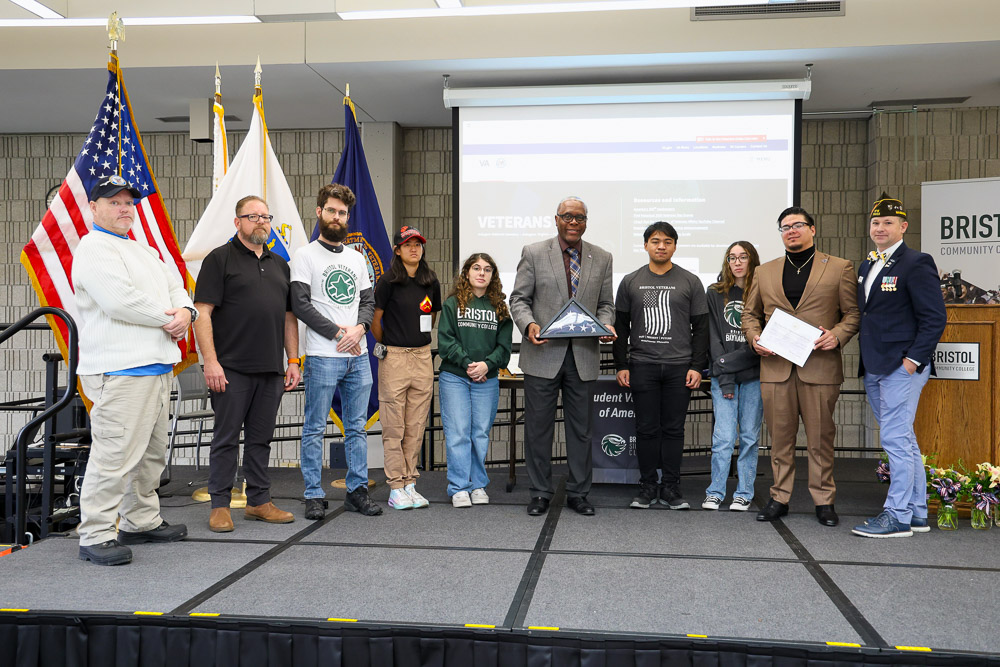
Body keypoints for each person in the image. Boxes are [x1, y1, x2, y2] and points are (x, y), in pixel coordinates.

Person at [72, 174, 191, 565]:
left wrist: (186, 312)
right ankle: (95, 534)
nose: (124, 209)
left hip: (156, 368)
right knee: (115, 456)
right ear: (94, 207)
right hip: (120, 370)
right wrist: (168, 319)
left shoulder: (145, 251)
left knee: (151, 456)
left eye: (128, 202)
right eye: (114, 202)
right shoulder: (92, 247)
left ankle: (139, 521)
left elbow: (177, 287)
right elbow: (118, 300)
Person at [742, 206, 859, 527]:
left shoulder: (839, 267)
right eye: (784, 227)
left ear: (812, 229)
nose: (791, 231)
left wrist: (837, 335)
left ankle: (824, 500)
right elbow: (750, 315)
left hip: (819, 367)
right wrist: (754, 338)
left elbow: (852, 314)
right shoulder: (764, 271)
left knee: (821, 438)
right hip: (775, 368)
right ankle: (780, 498)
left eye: (797, 225)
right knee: (780, 440)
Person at [194, 195, 301, 533]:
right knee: (226, 438)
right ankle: (220, 506)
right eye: (252, 216)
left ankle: (258, 501)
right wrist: (210, 362)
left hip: (270, 369)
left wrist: (293, 359)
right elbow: (202, 314)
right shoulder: (219, 259)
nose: (260, 222)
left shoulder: (280, 265)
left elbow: (288, 318)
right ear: (237, 222)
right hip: (230, 368)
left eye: (265, 216)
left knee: (261, 438)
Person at [509, 197, 615, 517]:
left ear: (586, 222)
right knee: (538, 429)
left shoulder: (603, 257)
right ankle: (540, 492)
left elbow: (606, 304)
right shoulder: (534, 252)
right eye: (567, 216)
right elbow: (519, 299)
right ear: (556, 219)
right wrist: (528, 325)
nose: (573, 222)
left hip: (582, 355)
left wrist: (606, 322)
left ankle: (578, 493)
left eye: (579, 218)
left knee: (581, 431)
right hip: (542, 353)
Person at [852, 193, 946, 538]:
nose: (880, 227)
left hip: (900, 367)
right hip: (875, 365)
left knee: (895, 439)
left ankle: (897, 516)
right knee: (904, 440)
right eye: (876, 222)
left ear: (903, 227)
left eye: (888, 222)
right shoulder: (868, 264)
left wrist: (912, 361)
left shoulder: (916, 262)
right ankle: (918, 512)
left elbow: (934, 319)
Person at [291, 183, 382, 520]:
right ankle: (313, 494)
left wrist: (359, 329)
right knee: (314, 426)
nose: (336, 216)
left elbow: (368, 301)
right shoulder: (305, 255)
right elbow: (299, 304)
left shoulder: (356, 258)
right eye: (331, 210)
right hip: (322, 355)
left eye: (342, 212)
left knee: (356, 428)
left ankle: (357, 491)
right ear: (319, 212)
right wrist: (336, 332)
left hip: (357, 356)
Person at [613, 222, 709, 510]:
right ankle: (646, 486)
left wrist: (697, 365)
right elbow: (620, 326)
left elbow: (702, 328)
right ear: (645, 245)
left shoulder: (690, 281)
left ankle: (670, 487)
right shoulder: (630, 281)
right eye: (655, 241)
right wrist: (621, 364)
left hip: (680, 367)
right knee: (645, 429)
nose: (661, 246)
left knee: (674, 429)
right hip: (642, 364)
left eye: (667, 241)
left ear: (675, 246)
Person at [371, 226, 441, 510]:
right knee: (394, 426)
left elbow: (431, 317)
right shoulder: (388, 281)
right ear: (397, 250)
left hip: (422, 357)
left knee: (416, 425)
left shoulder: (430, 280)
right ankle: (396, 486)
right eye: (408, 245)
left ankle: (411, 482)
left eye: (418, 244)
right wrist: (391, 345)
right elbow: (377, 321)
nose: (414, 249)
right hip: (395, 357)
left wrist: (416, 344)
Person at [437, 253, 513, 508]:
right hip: (455, 377)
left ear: (493, 276)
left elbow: (504, 349)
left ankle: (478, 485)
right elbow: (445, 342)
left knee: (479, 434)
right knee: (458, 432)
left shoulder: (501, 308)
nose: (482, 273)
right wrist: (468, 363)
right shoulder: (451, 304)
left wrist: (486, 365)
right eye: (476, 268)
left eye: (488, 269)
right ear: (467, 273)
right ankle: (459, 487)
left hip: (487, 379)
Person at [703, 241, 763, 512]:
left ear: (752, 260)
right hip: (722, 377)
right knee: (724, 438)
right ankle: (715, 491)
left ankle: (744, 492)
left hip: (754, 375)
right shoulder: (715, 293)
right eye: (732, 258)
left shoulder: (762, 293)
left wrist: (726, 363)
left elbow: (760, 346)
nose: (737, 262)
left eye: (743, 257)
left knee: (749, 436)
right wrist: (725, 374)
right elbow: (713, 339)